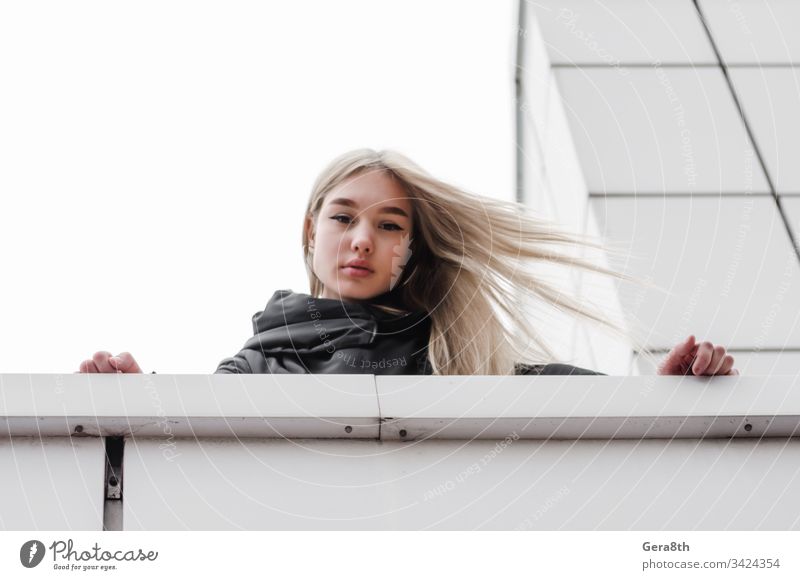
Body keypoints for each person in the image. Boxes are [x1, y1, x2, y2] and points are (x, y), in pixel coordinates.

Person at [79, 149, 738, 377]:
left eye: (389, 225)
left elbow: (584, 414)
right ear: (310, 233)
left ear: (411, 250)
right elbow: (196, 440)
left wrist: (661, 392)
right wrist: (143, 398)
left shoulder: (458, 355)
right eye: (343, 217)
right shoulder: (261, 361)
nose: (362, 239)